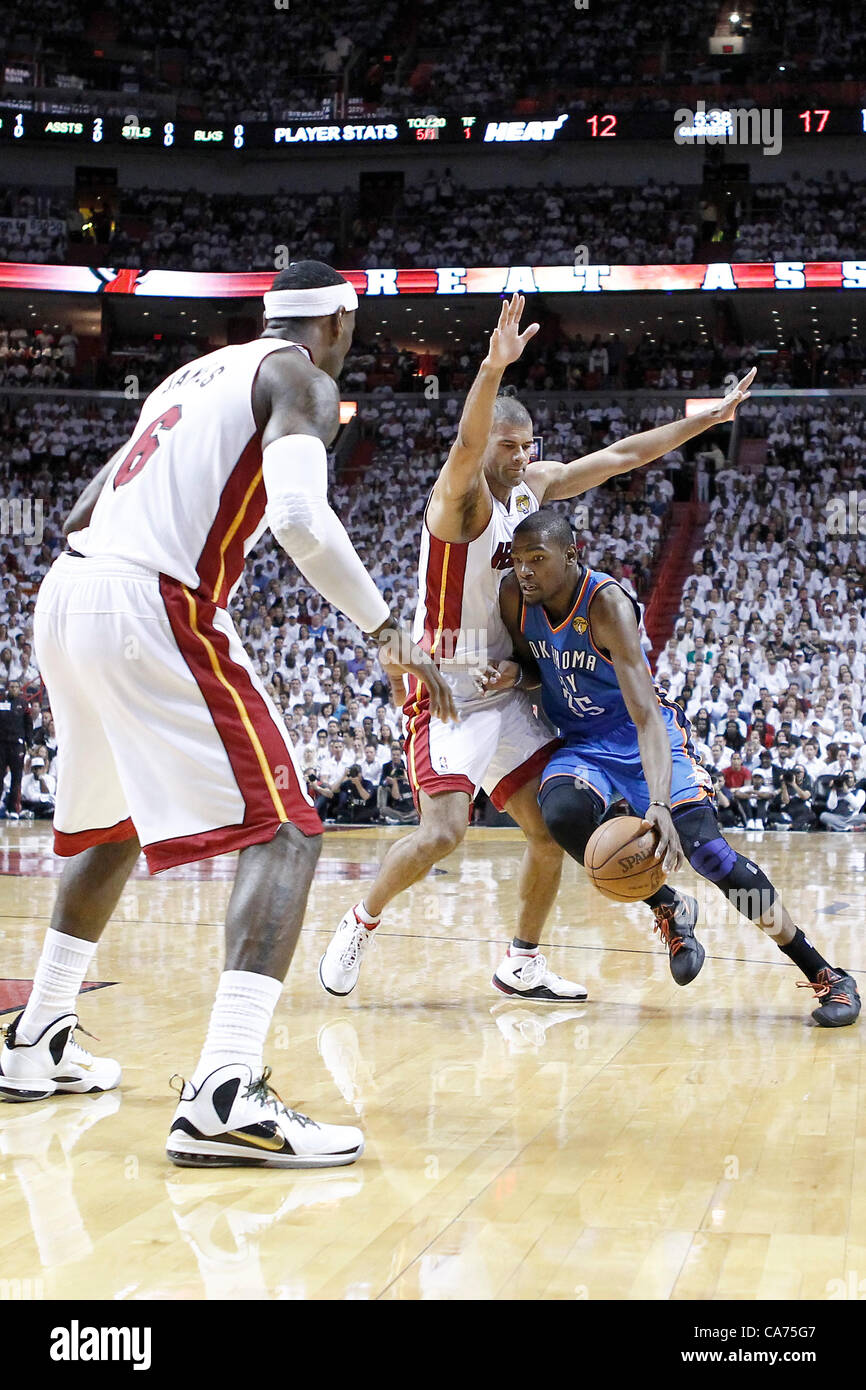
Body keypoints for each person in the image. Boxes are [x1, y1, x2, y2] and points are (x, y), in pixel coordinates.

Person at [0, 260, 456, 1167]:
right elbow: (298, 516)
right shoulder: (302, 379)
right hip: (152, 599)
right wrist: (387, 632)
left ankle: (37, 1037)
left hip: (69, 591)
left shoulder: (187, 378)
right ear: (338, 322)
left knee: (112, 826)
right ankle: (226, 1092)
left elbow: (85, 509)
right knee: (287, 830)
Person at [320, 292, 757, 1003]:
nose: (523, 458)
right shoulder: (458, 501)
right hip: (447, 684)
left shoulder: (533, 489)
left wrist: (704, 420)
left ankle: (524, 961)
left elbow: (621, 456)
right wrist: (491, 368)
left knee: (553, 824)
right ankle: (359, 922)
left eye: (530, 446)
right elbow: (467, 445)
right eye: (510, 446)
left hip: (510, 686)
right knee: (443, 832)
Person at [479, 509, 859, 1028]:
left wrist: (657, 803)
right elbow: (533, 667)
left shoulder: (607, 604)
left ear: (571, 554)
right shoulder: (515, 597)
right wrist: (512, 675)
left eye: (537, 559)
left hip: (643, 736)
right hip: (583, 745)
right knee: (561, 814)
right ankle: (668, 905)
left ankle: (827, 974)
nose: (524, 570)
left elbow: (646, 717)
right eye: (519, 560)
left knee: (709, 854)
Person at [0, 678, 32, 819]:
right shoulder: (1, 702)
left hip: (17, 745)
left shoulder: (23, 704)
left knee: (16, 778)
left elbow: (28, 725)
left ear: (19, 689)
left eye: (16, 687)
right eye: (11, 686)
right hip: (1, 745)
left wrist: (29, 743)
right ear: (8, 688)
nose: (13, 689)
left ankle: (14, 809)